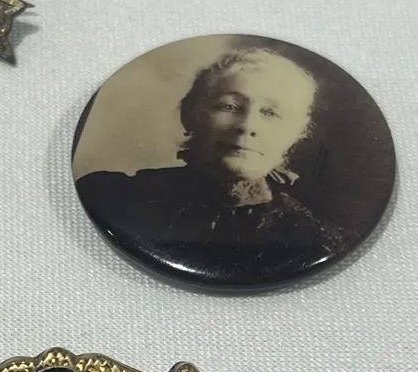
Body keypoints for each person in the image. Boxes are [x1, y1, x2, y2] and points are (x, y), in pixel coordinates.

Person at [76, 48, 347, 285]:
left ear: (295, 136)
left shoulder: (311, 238)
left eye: (270, 113)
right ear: (190, 114)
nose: (247, 126)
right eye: (229, 106)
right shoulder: (114, 197)